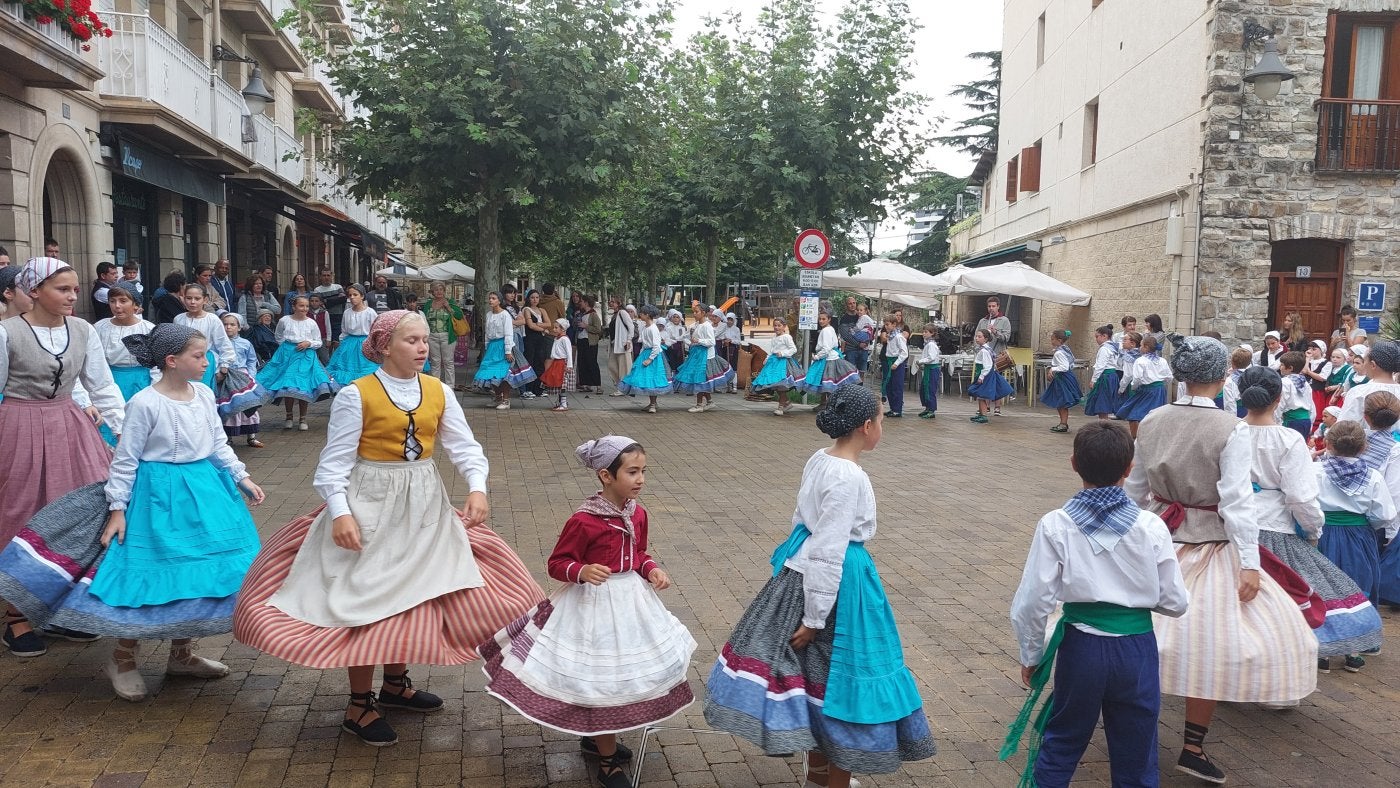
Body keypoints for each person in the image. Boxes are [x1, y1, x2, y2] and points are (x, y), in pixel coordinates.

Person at [233, 310, 546, 747]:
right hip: (370, 501)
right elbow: (333, 465)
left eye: (423, 340)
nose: (422, 347)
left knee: (414, 592)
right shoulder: (356, 395)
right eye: (411, 340)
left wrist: (477, 488)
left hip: (423, 501)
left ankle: (395, 684)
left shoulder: (438, 390)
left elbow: (463, 445)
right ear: (383, 346)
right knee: (366, 597)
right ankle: (359, 704)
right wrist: (340, 513)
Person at [2, 323, 264, 700]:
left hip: (206, 492)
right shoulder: (145, 402)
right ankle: (124, 658)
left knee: (197, 576)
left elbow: (217, 443)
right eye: (198, 356)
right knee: (150, 573)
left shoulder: (205, 394)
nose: (206, 362)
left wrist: (241, 476)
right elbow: (126, 460)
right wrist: (118, 509)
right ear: (172, 361)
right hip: (158, 496)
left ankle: (182, 653)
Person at [705, 384, 937, 787]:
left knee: (814, 677)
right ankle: (834, 780)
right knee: (841, 679)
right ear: (867, 426)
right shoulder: (850, 476)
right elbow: (830, 550)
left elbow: (802, 520)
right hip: (838, 584)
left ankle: (817, 773)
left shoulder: (820, 459)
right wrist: (814, 617)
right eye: (882, 420)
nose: (883, 427)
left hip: (799, 570)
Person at [1127, 335, 1317, 785]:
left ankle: (1133, 732)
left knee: (1140, 634)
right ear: (1221, 377)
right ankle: (1192, 746)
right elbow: (1236, 503)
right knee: (1206, 646)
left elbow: (1134, 488)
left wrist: (1122, 537)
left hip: (1157, 539)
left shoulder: (1152, 418)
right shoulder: (1229, 429)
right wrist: (1250, 563)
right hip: (1210, 547)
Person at [481, 437, 696, 788]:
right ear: (606, 476)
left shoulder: (637, 512)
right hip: (592, 608)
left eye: (644, 471)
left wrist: (652, 569)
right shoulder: (584, 520)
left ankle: (597, 738)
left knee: (626, 673)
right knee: (601, 680)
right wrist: (581, 571)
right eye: (632, 472)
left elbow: (639, 552)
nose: (641, 479)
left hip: (632, 605)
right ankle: (607, 760)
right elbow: (557, 563)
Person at [1004, 421, 1188, 788]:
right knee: (1137, 749)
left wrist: (1032, 654)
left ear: (1073, 463)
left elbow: (1033, 601)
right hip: (1136, 649)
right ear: (1129, 468)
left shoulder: (1056, 524)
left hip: (1081, 647)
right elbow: (1175, 602)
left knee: (1063, 739)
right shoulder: (1151, 527)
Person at [0, 258, 125, 656]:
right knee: (20, 513)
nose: (73, 296)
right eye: (62, 289)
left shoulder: (83, 330)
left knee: (84, 513)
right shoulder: (6, 333)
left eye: (74, 289)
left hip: (71, 426)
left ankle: (65, 608)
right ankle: (15, 616)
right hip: (19, 425)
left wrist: (124, 435)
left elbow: (102, 387)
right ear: (34, 290)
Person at [1239, 366, 1383, 673]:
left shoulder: (1230, 431)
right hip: (1274, 528)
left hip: (1232, 527)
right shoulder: (1288, 439)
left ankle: (1239, 667)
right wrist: (1314, 530)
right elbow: (1301, 497)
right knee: (1282, 604)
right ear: (1279, 398)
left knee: (1240, 601)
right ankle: (1275, 678)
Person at [1314, 420, 1395, 674]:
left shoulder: (1315, 471)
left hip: (1323, 534)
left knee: (1322, 587)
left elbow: (1304, 501)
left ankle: (1322, 650)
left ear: (1327, 443)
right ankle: (1353, 651)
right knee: (1356, 588)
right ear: (1364, 447)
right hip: (1359, 537)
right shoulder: (1372, 476)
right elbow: (1384, 514)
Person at [257, 295, 337, 430]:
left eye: (306, 306)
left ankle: (303, 419)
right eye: (301, 306)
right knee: (288, 386)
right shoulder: (284, 320)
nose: (304, 308)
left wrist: (308, 343)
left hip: (305, 356)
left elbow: (318, 341)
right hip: (288, 354)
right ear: (294, 307)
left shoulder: (311, 322)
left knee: (302, 385)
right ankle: (289, 416)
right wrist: (286, 347)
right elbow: (278, 336)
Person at [93, 282, 155, 445]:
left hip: (139, 382)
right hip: (108, 380)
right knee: (110, 425)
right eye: (113, 301)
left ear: (135, 304)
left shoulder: (148, 329)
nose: (117, 306)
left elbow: (156, 365)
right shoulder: (100, 327)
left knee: (137, 424)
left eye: (123, 301)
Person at [174, 283, 236, 391]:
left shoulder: (212, 319)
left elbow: (224, 344)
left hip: (205, 363)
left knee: (202, 393)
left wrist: (224, 368)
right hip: (183, 364)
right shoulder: (178, 319)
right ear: (183, 299)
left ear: (205, 300)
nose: (192, 302)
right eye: (189, 298)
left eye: (197, 298)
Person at [674, 307, 734, 413]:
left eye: (696, 312)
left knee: (700, 380)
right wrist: (691, 342)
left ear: (703, 313)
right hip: (697, 355)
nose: (694, 314)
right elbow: (690, 338)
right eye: (694, 312)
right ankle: (709, 401)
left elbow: (712, 342)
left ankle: (699, 404)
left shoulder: (707, 326)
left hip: (705, 357)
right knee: (702, 380)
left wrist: (699, 340)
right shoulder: (697, 325)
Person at [797, 310, 860, 413]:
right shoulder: (830, 329)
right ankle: (825, 404)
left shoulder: (825, 331)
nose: (821, 321)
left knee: (828, 383)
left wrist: (817, 357)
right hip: (832, 357)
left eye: (823, 319)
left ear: (829, 319)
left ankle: (830, 406)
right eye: (820, 319)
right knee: (826, 382)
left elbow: (826, 348)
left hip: (827, 359)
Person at [618, 305, 672, 412]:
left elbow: (656, 346)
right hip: (646, 353)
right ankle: (652, 403)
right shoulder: (645, 327)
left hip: (653, 356)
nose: (640, 315)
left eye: (642, 313)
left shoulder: (653, 329)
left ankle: (653, 404)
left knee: (652, 378)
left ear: (647, 315)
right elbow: (643, 343)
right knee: (646, 378)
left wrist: (650, 359)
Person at [221, 313, 263, 447]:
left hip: (243, 376)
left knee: (249, 404)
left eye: (232, 325)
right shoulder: (219, 343)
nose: (228, 327)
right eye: (225, 324)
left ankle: (251, 436)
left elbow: (251, 360)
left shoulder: (245, 343)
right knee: (229, 406)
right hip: (226, 376)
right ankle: (228, 437)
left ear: (239, 327)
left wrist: (251, 375)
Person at [473, 291, 521, 411]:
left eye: (493, 298)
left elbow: (509, 333)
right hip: (492, 347)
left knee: (502, 374)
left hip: (502, 345)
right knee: (490, 372)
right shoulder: (489, 314)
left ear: (499, 301)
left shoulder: (505, 315)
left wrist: (508, 350)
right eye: (490, 298)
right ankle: (498, 397)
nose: (491, 300)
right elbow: (487, 332)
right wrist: (486, 346)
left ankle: (506, 400)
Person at [1115, 334, 1169, 438]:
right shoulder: (1162, 361)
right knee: (1154, 414)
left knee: (1134, 415)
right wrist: (1161, 386)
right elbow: (1169, 377)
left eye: (1141, 345)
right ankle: (1148, 437)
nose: (1139, 347)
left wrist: (1134, 388)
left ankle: (1136, 438)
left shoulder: (1140, 361)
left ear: (1146, 348)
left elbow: (1137, 379)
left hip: (1146, 390)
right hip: (1159, 390)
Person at [326, 285, 379, 385]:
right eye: (350, 295)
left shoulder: (370, 312)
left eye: (355, 295)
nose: (352, 297)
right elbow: (344, 330)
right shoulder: (347, 312)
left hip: (365, 343)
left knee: (366, 368)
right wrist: (341, 343)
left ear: (362, 296)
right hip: (349, 344)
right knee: (344, 367)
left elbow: (375, 330)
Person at [1338, 340, 1400, 423]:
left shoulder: (1359, 392)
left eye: (1364, 361)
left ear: (1373, 365)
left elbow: (1345, 425)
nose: (1364, 365)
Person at [753, 316, 802, 416]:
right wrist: (767, 359)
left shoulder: (787, 337)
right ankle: (786, 403)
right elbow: (772, 350)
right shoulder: (774, 338)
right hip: (773, 363)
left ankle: (781, 406)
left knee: (781, 384)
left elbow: (793, 349)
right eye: (775, 325)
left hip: (783, 363)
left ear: (784, 326)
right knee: (775, 384)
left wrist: (783, 353)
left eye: (779, 325)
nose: (777, 328)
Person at [1036, 329, 1082, 433]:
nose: (1051, 341)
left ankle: (1063, 423)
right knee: (1060, 400)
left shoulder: (1059, 353)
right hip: (1066, 377)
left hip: (1063, 378)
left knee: (1061, 401)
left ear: (1059, 340)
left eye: (1053, 339)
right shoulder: (1066, 349)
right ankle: (1063, 423)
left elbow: (1064, 367)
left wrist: (1053, 369)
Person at [422, 282, 464, 392]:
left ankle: (450, 386)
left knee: (448, 361)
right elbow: (424, 319)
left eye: (441, 289)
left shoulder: (450, 302)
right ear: (432, 292)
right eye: (436, 290)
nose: (439, 292)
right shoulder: (428, 304)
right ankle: (436, 386)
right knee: (435, 362)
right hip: (432, 336)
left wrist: (448, 307)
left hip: (447, 335)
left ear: (444, 291)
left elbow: (459, 316)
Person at [968, 328, 1012, 424]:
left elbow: (987, 365)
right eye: (976, 336)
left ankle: (983, 415)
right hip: (984, 373)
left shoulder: (984, 351)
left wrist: (981, 376)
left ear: (986, 339)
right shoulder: (986, 349)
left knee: (981, 395)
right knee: (980, 394)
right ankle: (981, 414)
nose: (977, 338)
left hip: (984, 374)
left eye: (980, 337)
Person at [1084, 325, 1122, 420]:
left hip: (1105, 377)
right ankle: (1104, 424)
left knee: (1102, 403)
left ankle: (1103, 426)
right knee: (1105, 402)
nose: (1096, 339)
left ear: (1104, 336)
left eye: (1097, 336)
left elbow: (1100, 366)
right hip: (1112, 376)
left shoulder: (1105, 349)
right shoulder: (1113, 347)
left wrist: (1093, 380)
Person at [1275, 351, 1315, 439]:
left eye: (1282, 365)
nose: (1280, 367)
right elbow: (1311, 405)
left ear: (1290, 368)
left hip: (1291, 421)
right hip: (1306, 421)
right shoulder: (1306, 383)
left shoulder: (1285, 382)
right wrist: (1311, 422)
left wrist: (1276, 422)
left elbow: (1280, 403)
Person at [519, 289, 550, 398]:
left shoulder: (542, 310)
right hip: (530, 339)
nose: (535, 300)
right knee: (530, 362)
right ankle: (528, 388)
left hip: (540, 340)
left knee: (540, 363)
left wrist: (539, 325)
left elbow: (549, 323)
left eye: (537, 297)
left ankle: (538, 389)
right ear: (528, 298)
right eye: (532, 297)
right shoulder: (526, 310)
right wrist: (542, 328)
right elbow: (530, 325)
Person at [541, 318, 574, 412]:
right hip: (556, 362)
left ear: (563, 329)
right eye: (554, 327)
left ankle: (563, 403)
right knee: (557, 383)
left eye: (556, 328)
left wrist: (569, 366)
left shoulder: (565, 339)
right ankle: (560, 402)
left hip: (563, 363)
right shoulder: (557, 338)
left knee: (562, 383)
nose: (554, 329)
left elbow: (569, 352)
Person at [605, 296, 635, 397]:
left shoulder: (622, 313)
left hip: (623, 345)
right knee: (612, 365)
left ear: (618, 303)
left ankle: (623, 388)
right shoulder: (615, 314)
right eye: (610, 302)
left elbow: (631, 326)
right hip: (615, 344)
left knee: (623, 367)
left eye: (613, 302)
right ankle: (620, 386)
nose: (611, 303)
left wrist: (628, 340)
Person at [574, 295, 603, 395]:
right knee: (582, 362)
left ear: (586, 303)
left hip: (590, 342)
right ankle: (586, 384)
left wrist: (586, 326)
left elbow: (598, 329)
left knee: (592, 363)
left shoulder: (593, 315)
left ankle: (598, 385)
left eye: (582, 301)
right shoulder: (581, 314)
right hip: (581, 340)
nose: (580, 303)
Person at [311, 269, 347, 349]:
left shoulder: (338, 287)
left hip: (338, 317)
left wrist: (326, 301)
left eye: (328, 275)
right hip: (324, 318)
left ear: (332, 276)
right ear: (320, 277)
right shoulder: (317, 290)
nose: (326, 277)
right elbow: (318, 303)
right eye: (324, 275)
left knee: (337, 342)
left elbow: (343, 299)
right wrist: (335, 299)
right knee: (328, 342)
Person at [881, 315, 908, 418]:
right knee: (889, 386)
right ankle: (893, 408)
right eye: (885, 324)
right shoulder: (890, 336)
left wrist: (896, 363)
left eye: (887, 324)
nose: (886, 327)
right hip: (889, 362)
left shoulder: (898, 337)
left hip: (896, 363)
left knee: (897, 386)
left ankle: (897, 409)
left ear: (894, 324)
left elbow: (904, 353)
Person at [836, 296, 866, 377]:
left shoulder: (861, 316)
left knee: (862, 372)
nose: (852, 305)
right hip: (850, 350)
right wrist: (858, 344)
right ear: (846, 306)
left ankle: (860, 389)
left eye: (854, 303)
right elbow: (846, 336)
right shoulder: (844, 319)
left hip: (863, 349)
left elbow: (868, 328)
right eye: (850, 304)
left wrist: (866, 342)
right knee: (850, 373)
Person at [917, 324, 941, 419]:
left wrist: (921, 361)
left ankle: (931, 410)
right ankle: (927, 407)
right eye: (923, 331)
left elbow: (931, 357)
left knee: (930, 389)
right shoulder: (927, 343)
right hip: (928, 368)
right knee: (924, 388)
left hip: (932, 369)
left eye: (926, 332)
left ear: (932, 333)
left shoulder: (931, 344)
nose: (923, 334)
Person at [1224, 346, 1253, 417]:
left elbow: (1229, 403)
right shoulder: (1254, 375)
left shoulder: (1229, 381)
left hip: (1239, 411)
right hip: (1254, 412)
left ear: (1232, 362)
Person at [719, 312, 742, 394]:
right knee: (725, 367)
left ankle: (734, 385)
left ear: (734, 320)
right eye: (728, 319)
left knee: (734, 367)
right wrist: (724, 341)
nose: (729, 321)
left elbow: (739, 341)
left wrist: (731, 340)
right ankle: (728, 385)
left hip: (733, 349)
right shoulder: (723, 328)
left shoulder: (736, 329)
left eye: (731, 320)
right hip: (725, 349)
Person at [308, 294, 332, 365]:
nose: (314, 302)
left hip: (322, 338)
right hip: (310, 339)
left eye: (316, 301)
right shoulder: (307, 313)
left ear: (320, 302)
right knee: (312, 358)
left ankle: (328, 374)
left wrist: (329, 339)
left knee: (325, 358)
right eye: (312, 301)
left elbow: (328, 326)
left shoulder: (324, 312)